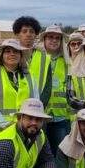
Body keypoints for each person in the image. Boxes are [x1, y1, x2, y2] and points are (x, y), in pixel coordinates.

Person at [0, 39, 36, 140]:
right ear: (1, 55)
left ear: (20, 56)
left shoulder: (30, 76)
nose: (12, 54)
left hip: (23, 132)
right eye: (8, 51)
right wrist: (6, 124)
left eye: (15, 51)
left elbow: (35, 103)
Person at [28, 25, 70, 153]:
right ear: (44, 39)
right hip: (38, 113)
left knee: (59, 152)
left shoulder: (67, 61)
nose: (54, 40)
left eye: (57, 38)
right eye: (50, 37)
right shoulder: (34, 56)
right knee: (38, 151)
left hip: (60, 116)